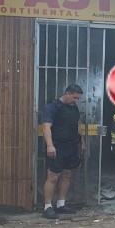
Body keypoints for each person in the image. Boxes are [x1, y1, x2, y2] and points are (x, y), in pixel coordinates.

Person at [41, 84, 85, 220]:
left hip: (71, 146)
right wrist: (50, 145)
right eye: (74, 97)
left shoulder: (73, 108)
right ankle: (47, 207)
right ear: (66, 93)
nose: (76, 101)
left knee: (67, 175)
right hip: (57, 146)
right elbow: (46, 127)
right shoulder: (53, 107)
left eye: (78, 98)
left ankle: (61, 204)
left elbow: (76, 126)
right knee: (53, 176)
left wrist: (82, 142)